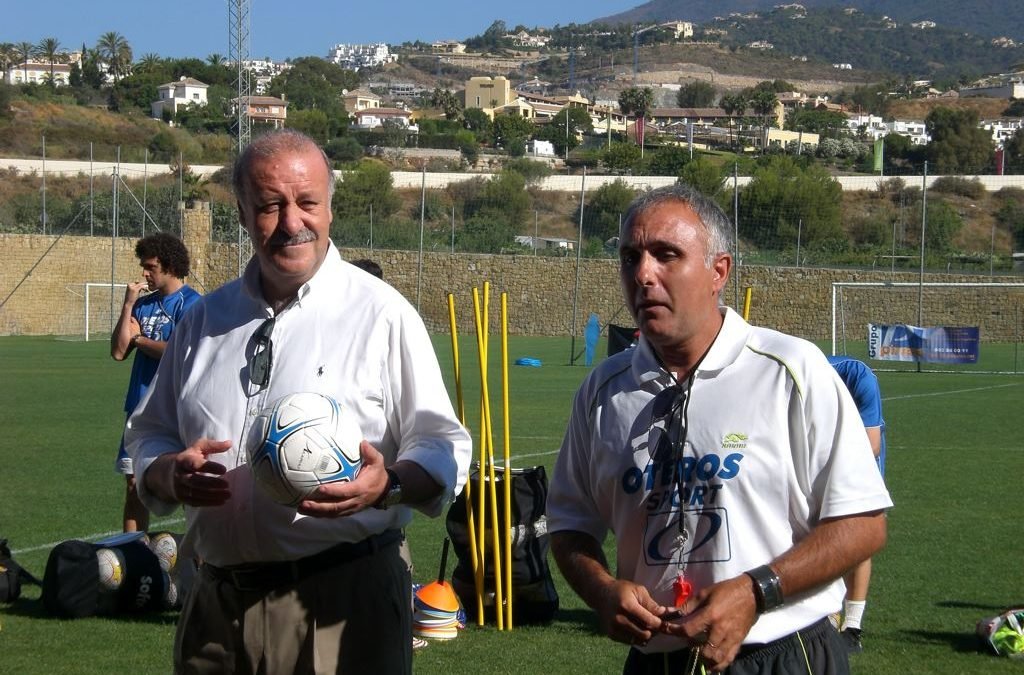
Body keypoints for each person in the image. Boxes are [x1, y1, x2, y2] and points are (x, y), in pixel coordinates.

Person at [124, 129, 471, 674]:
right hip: (214, 610)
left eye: (307, 203)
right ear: (241, 213)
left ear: (330, 209)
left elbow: (443, 444)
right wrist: (166, 473)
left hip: (340, 605)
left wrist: (390, 485)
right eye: (268, 206)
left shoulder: (381, 313)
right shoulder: (202, 321)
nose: (291, 223)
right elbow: (148, 433)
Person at [547, 183, 893, 675]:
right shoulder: (603, 392)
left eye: (667, 255)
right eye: (630, 257)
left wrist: (758, 590)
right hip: (654, 662)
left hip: (783, 654)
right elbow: (569, 526)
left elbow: (863, 523)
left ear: (718, 271)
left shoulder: (790, 370)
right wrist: (602, 591)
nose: (643, 274)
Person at [110, 232, 201, 533]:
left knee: (189, 483)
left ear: (170, 265)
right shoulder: (142, 304)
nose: (144, 273)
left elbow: (179, 352)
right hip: (139, 403)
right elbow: (119, 351)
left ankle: (197, 566)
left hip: (177, 407)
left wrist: (139, 339)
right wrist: (128, 305)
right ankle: (135, 563)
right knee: (134, 483)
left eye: (150, 267)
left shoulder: (192, 305)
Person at [827, 354, 886, 653]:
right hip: (820, 457)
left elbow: (871, 444)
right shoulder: (788, 376)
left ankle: (852, 625)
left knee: (858, 536)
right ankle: (826, 615)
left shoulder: (857, 376)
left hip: (860, 460)